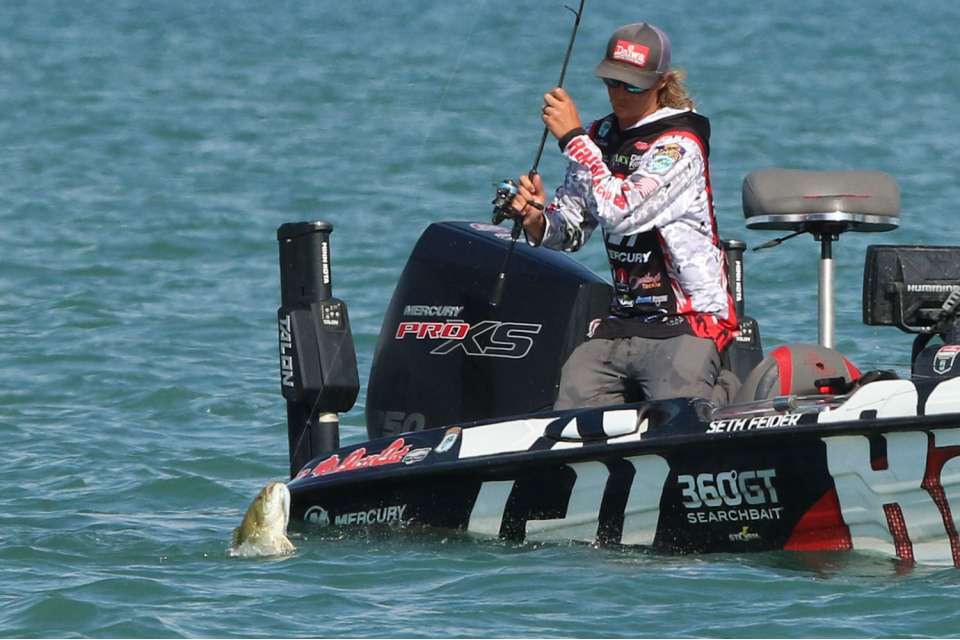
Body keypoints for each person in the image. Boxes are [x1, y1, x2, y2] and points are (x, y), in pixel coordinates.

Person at [510, 22, 737, 410]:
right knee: (570, 411)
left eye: (633, 86)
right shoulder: (599, 137)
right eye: (612, 82)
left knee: (676, 419)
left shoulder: (680, 145)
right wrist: (535, 219)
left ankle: (727, 390)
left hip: (690, 319)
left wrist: (573, 139)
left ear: (661, 82)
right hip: (623, 321)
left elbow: (622, 212)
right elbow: (571, 229)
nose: (620, 93)